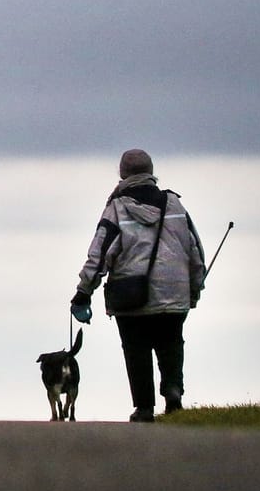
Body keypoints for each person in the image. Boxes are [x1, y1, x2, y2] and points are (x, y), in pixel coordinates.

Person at [69, 149, 208, 421]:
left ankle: (144, 407)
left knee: (136, 349)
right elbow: (195, 251)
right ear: (151, 171)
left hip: (131, 295)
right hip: (174, 292)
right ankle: (173, 390)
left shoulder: (117, 208)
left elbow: (99, 254)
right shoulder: (175, 205)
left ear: (122, 174)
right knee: (171, 343)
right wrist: (195, 288)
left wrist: (83, 292)